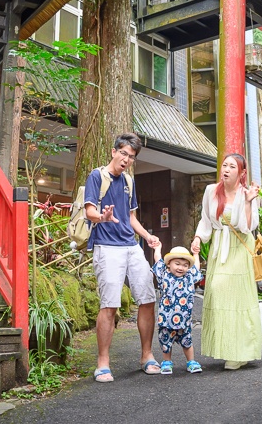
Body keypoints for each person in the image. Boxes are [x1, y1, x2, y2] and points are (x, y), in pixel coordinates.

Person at [84, 133, 162, 383]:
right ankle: (103, 363)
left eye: (132, 156)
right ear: (114, 151)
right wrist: (102, 217)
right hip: (106, 247)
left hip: (131, 245)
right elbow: (90, 211)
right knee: (110, 304)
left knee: (148, 298)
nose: (127, 159)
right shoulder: (97, 176)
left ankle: (147, 355)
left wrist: (147, 236)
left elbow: (131, 218)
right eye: (124, 154)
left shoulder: (129, 181)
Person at [190, 153, 262, 370]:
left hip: (239, 248)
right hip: (219, 248)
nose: (226, 169)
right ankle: (228, 347)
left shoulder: (245, 193)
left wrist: (249, 202)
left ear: (241, 173)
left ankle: (241, 351)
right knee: (217, 291)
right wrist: (197, 238)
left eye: (232, 166)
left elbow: (246, 227)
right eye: (224, 165)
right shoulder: (211, 191)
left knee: (236, 298)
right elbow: (205, 219)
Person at [151, 244, 203, 375]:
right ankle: (167, 361)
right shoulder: (164, 274)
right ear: (168, 263)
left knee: (187, 341)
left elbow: (196, 267)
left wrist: (195, 254)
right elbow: (158, 259)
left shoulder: (189, 276)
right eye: (177, 264)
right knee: (165, 341)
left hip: (184, 320)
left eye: (185, 265)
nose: (181, 268)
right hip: (166, 318)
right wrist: (158, 248)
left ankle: (191, 361)